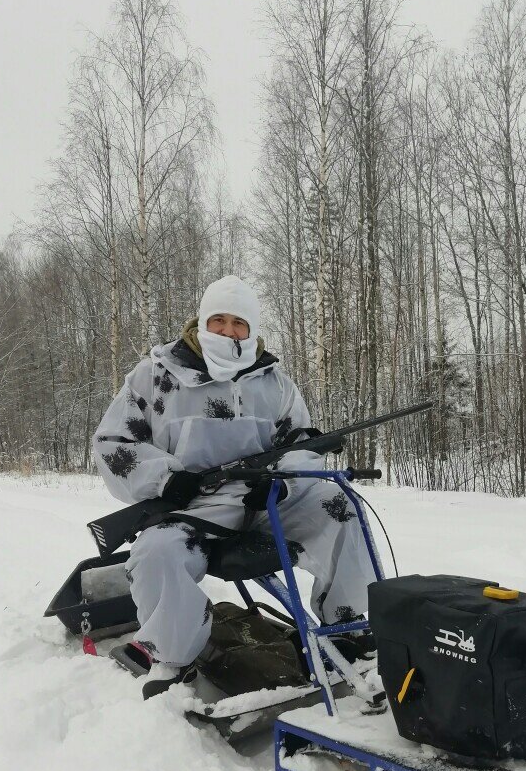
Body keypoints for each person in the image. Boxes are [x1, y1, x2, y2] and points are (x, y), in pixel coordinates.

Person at [92, 275, 376, 697]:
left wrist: (282, 484)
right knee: (156, 552)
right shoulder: (155, 376)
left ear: (253, 328)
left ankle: (349, 629)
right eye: (218, 320)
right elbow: (113, 445)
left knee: (340, 504)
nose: (228, 331)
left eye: (238, 323)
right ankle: (172, 657)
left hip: (266, 502)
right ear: (202, 322)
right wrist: (166, 479)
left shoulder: (274, 382)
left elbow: (300, 443)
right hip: (193, 509)